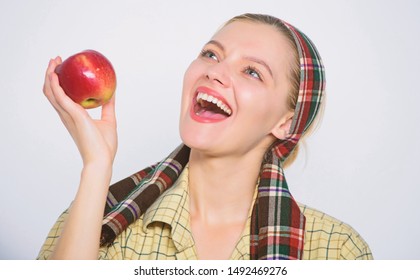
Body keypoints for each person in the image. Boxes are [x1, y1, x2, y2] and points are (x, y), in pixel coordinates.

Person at [38, 13, 373, 260]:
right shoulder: (96, 214)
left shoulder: (338, 250)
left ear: (286, 122)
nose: (214, 71)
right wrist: (96, 166)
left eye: (252, 72)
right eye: (211, 54)